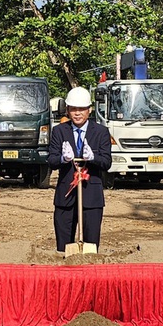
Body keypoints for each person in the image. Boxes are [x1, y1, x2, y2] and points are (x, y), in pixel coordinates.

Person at [48, 87, 112, 253]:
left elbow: (107, 162)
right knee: (63, 245)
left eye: (81, 109)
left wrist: (93, 158)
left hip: (91, 196)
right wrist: (63, 158)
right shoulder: (59, 131)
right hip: (66, 196)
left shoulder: (101, 132)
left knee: (91, 245)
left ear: (89, 110)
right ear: (68, 110)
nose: (77, 113)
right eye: (73, 109)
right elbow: (52, 160)